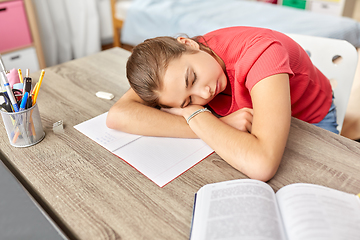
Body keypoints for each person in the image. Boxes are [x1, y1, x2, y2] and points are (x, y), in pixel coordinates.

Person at [106, 26, 337, 182]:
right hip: (258, 126)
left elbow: (261, 165)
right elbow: (118, 116)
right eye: (187, 100)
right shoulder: (170, 72)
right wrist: (216, 122)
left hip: (308, 122)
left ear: (189, 44)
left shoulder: (261, 53)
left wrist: (196, 114)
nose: (204, 93)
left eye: (192, 78)